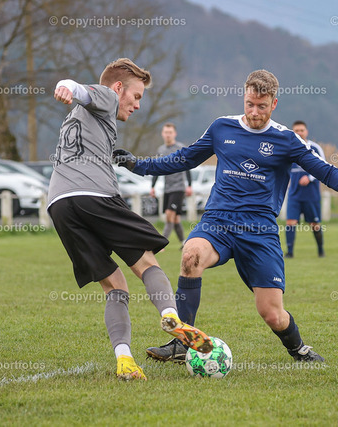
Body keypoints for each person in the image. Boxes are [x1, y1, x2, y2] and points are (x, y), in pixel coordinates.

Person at [114, 69, 338, 364]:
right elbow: (184, 158)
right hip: (218, 221)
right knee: (190, 255)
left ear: (274, 104)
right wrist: (138, 165)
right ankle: (183, 342)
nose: (254, 112)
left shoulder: (286, 139)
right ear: (244, 97)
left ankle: (299, 349)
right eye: (249, 104)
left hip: (259, 230)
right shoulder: (222, 127)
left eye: (261, 106)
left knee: (272, 314)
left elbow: (323, 170)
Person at [47, 58, 213, 381]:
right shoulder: (108, 97)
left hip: (59, 205)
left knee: (115, 285)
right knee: (146, 262)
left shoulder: (80, 117)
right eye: (136, 96)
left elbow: (81, 98)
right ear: (119, 87)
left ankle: (124, 359)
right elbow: (80, 89)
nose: (137, 105)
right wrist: (65, 86)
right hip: (95, 196)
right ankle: (172, 317)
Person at [285, 120, 325, 258]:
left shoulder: (315, 148)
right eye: (296, 131)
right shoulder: (288, 148)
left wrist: (309, 177)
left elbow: (324, 168)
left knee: (314, 223)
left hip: (311, 194)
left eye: (301, 130)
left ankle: (320, 250)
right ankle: (290, 252)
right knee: (290, 222)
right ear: (293, 132)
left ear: (306, 132)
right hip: (294, 194)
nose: (299, 133)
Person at [150, 123, 193, 248]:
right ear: (162, 134)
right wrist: (152, 187)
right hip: (167, 188)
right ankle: (184, 243)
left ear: (175, 134)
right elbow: (156, 169)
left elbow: (188, 167)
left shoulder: (180, 148)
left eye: (170, 132)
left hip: (178, 188)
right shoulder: (161, 150)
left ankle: (161, 244)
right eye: (166, 132)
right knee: (175, 219)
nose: (168, 135)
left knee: (169, 215)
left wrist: (189, 185)